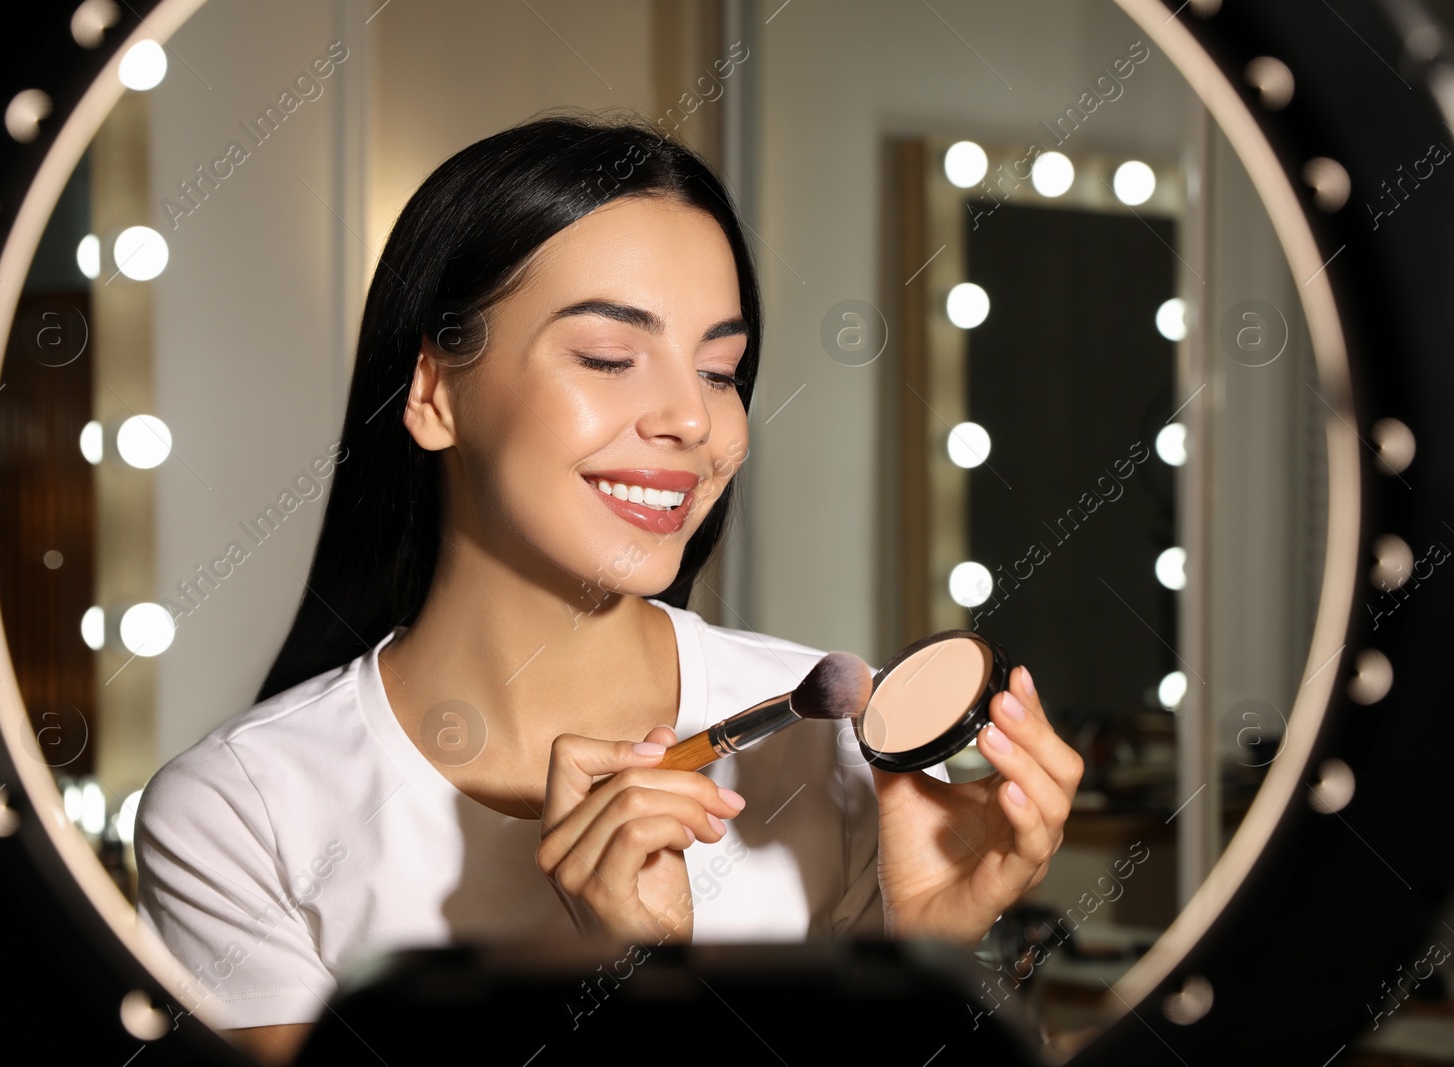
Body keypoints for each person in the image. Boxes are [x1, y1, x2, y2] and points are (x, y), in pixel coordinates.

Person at [133, 111, 1083, 1066]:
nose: (690, 418)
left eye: (721, 370)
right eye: (607, 357)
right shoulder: (239, 816)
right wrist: (626, 992)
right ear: (432, 391)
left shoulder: (832, 752)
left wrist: (922, 956)